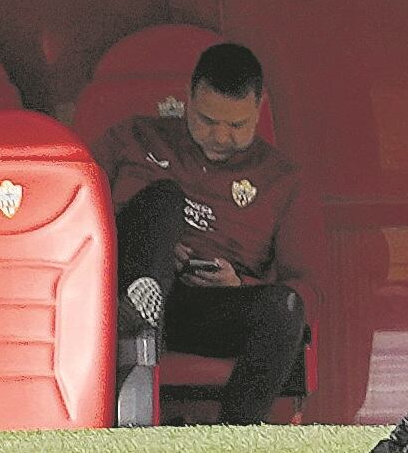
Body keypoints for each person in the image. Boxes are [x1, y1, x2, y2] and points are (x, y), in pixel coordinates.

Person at [105, 40, 309, 425]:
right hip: (126, 293)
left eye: (236, 126)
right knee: (164, 199)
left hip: (205, 308)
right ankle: (141, 307)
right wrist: (158, 249)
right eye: (207, 120)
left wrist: (239, 283)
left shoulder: (281, 178)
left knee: (286, 307)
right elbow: (76, 216)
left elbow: (308, 283)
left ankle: (234, 438)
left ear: (259, 109)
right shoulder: (134, 138)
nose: (221, 136)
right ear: (188, 99)